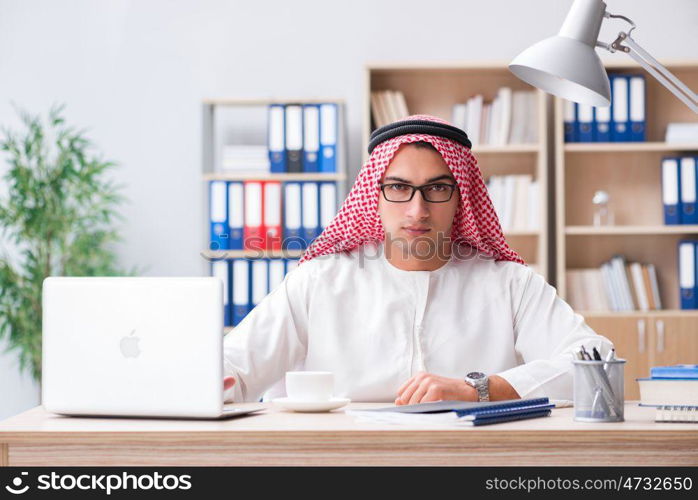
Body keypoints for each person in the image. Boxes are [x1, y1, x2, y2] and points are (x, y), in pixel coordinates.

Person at [222, 114, 613, 405]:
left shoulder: (510, 284)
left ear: (462, 198)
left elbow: (598, 364)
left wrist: (477, 389)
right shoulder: (318, 282)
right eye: (398, 187)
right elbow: (235, 367)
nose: (417, 210)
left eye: (437, 189)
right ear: (374, 196)